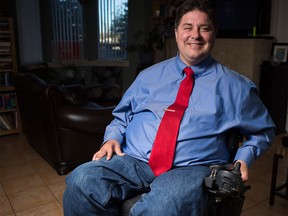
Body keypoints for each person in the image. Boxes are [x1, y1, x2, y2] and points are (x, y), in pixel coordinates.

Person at [63, 0, 275, 215]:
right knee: (82, 181)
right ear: (176, 33)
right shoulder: (148, 76)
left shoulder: (237, 87)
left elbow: (262, 131)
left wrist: (243, 158)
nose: (196, 35)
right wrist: (112, 138)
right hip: (134, 160)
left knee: (163, 207)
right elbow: (122, 116)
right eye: (188, 27)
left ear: (214, 34)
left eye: (204, 28)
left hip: (191, 167)